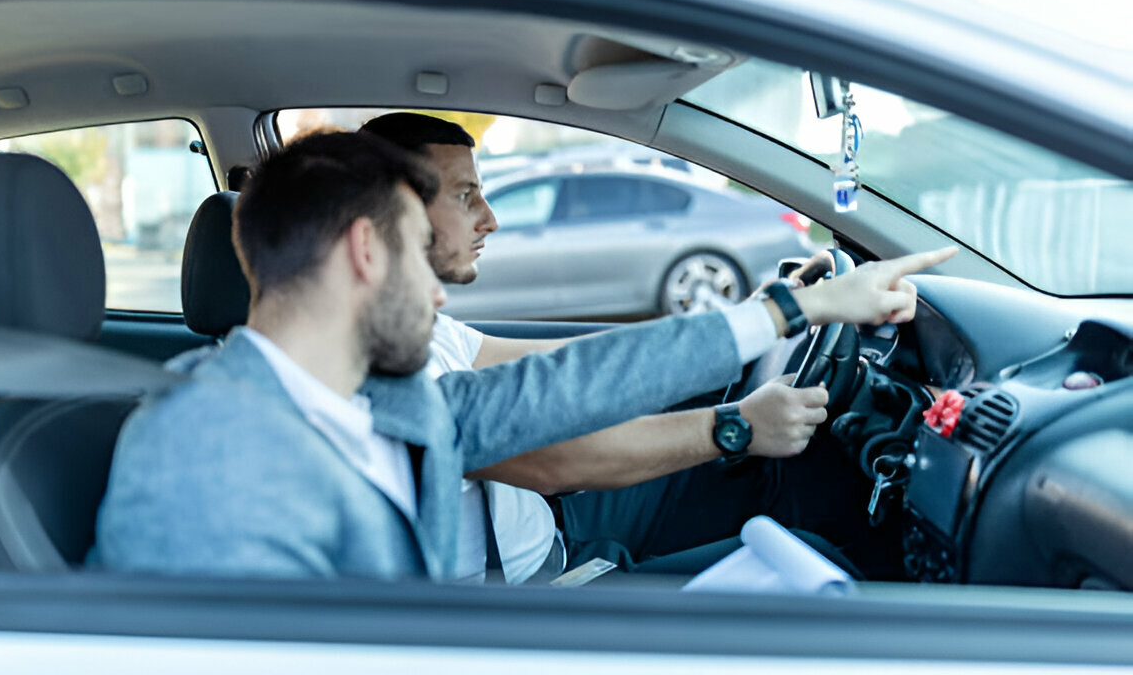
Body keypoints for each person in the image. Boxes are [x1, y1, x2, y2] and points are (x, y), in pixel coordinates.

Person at [92, 130, 955, 582]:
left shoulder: (386, 402)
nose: (437, 294)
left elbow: (570, 382)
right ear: (365, 252)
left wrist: (789, 308)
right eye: (413, 255)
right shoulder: (199, 449)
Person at [358, 113, 904, 580]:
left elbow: (575, 368)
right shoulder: (387, 370)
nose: (491, 220)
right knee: (818, 561)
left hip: (556, 526)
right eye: (464, 196)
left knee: (750, 486)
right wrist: (735, 427)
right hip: (538, 592)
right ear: (391, 215)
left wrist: (751, 322)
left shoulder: (426, 332)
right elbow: (557, 462)